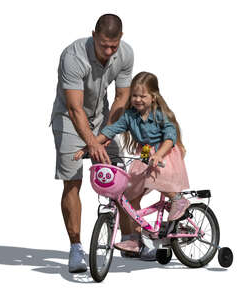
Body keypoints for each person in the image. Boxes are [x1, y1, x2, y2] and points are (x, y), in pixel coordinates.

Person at [50, 14, 134, 273]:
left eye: (114, 46)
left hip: (101, 117)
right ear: (94, 35)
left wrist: (105, 135)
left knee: (118, 175)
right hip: (68, 117)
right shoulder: (73, 56)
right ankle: (76, 249)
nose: (109, 52)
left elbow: (121, 98)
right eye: (104, 45)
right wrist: (91, 143)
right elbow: (75, 108)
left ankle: (130, 240)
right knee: (73, 180)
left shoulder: (126, 54)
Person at [74, 71, 190, 256]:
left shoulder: (159, 115)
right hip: (145, 154)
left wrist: (159, 154)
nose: (137, 99)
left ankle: (178, 200)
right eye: (134, 95)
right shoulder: (129, 116)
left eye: (142, 96)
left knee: (159, 178)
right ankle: (134, 240)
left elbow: (170, 137)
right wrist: (92, 145)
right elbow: (111, 130)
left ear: (153, 97)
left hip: (164, 153)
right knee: (130, 195)